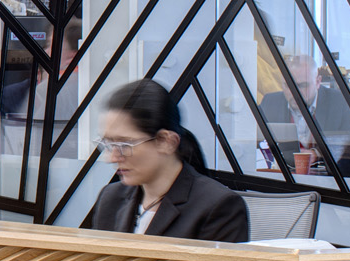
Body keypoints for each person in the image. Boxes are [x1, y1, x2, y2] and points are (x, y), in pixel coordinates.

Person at [83, 78, 251, 242]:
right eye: (108, 144)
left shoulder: (218, 206)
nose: (111, 158)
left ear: (166, 141)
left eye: (124, 144)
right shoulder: (111, 197)